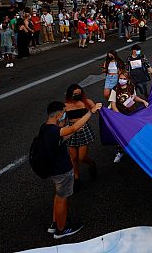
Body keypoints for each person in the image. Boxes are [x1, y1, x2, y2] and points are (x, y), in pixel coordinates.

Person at [41, 100, 102, 239]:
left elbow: (62, 136)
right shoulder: (54, 130)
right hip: (61, 170)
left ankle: (55, 223)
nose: (65, 116)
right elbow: (72, 128)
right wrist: (90, 112)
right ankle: (62, 230)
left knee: (58, 196)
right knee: (63, 199)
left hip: (54, 170)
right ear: (59, 115)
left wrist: (73, 130)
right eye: (64, 113)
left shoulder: (45, 128)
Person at [64, 84, 99, 192]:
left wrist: (97, 107)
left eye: (79, 93)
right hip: (71, 132)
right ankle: (77, 179)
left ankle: (92, 164)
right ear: (70, 94)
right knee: (73, 158)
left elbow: (97, 111)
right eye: (75, 94)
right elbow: (60, 120)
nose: (78, 95)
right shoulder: (65, 105)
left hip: (84, 130)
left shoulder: (86, 102)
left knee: (81, 158)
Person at [109, 72, 149, 163]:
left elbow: (134, 98)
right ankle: (120, 152)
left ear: (128, 80)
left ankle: (137, 150)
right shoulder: (115, 89)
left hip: (131, 113)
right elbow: (113, 104)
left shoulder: (131, 87)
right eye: (120, 78)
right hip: (121, 115)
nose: (121, 80)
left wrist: (143, 101)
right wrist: (119, 115)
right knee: (120, 134)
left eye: (123, 78)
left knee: (134, 132)